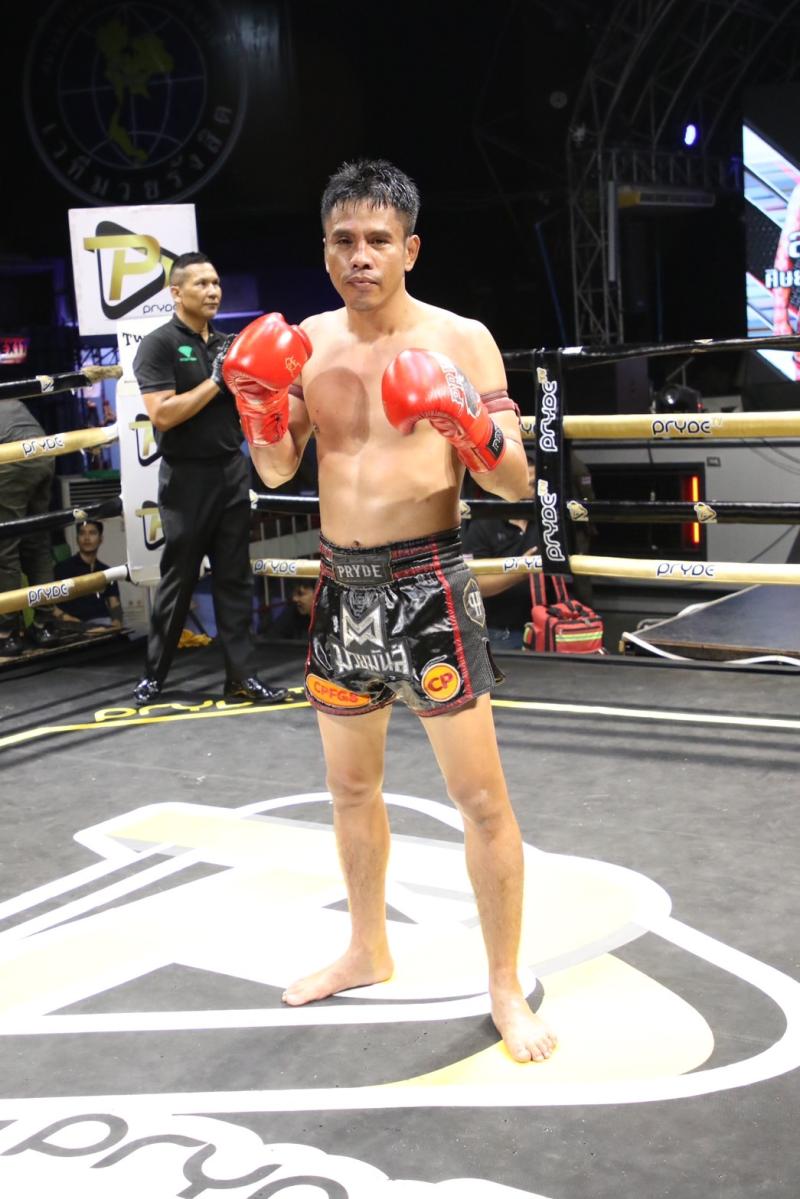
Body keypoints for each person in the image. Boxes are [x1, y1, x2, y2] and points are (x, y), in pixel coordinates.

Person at [219, 159, 556, 1062]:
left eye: (378, 240)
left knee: (479, 798)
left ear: (410, 248)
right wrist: (259, 405)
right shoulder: (307, 343)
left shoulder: (462, 339)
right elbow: (277, 470)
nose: (359, 256)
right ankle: (367, 947)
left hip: (429, 586)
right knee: (350, 789)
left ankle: (502, 984)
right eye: (343, 240)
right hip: (342, 590)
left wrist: (463, 418)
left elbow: (514, 481)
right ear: (325, 249)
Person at [130, 251, 288, 707]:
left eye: (216, 282)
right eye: (201, 283)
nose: (213, 291)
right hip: (187, 479)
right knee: (178, 579)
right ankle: (153, 677)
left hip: (231, 470)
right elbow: (162, 414)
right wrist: (217, 381)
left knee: (235, 579)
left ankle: (242, 677)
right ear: (177, 292)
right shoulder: (158, 345)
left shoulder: (228, 345)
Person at [0, 399, 61, 656]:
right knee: (37, 541)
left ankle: (7, 632)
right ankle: (44, 624)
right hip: (42, 452)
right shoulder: (11, 398)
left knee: (4, 548)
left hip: (12, 456)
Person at [461, 452, 538, 648]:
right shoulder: (484, 524)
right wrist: (521, 572)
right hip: (500, 631)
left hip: (543, 626)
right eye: (529, 484)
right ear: (511, 486)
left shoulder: (547, 523)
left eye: (536, 484)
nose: (535, 491)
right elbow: (474, 585)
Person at [52, 519, 123, 628]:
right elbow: (51, 607)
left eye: (92, 533)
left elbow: (115, 605)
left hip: (103, 624)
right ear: (77, 539)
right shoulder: (62, 569)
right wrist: (72, 621)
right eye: (82, 533)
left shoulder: (107, 572)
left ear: (101, 539)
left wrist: (116, 625)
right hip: (73, 626)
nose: (87, 538)